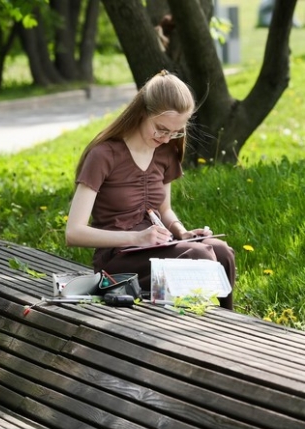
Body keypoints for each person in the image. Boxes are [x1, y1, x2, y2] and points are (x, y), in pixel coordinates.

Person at [65, 70, 236, 309]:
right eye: (161, 129)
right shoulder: (103, 155)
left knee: (222, 252)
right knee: (199, 256)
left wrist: (182, 233)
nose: (166, 139)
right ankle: (196, 325)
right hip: (118, 261)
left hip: (158, 249)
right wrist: (137, 238)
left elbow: (164, 210)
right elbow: (73, 233)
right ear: (142, 113)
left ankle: (224, 324)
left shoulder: (166, 152)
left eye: (175, 132)